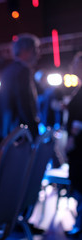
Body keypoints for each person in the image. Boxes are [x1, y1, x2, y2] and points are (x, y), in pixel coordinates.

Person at [0, 33, 40, 147]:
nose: (38, 53)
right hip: (22, 132)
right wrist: (34, 129)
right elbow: (24, 102)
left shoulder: (8, 71)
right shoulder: (23, 70)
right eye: (35, 49)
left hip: (9, 131)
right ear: (25, 50)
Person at [65, 52, 82, 238]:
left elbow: (78, 119)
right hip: (78, 147)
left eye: (77, 64)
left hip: (80, 148)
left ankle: (80, 226)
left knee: (80, 184)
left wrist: (72, 139)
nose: (73, 67)